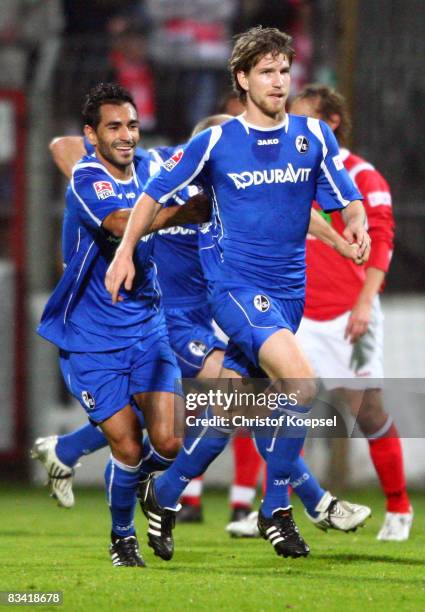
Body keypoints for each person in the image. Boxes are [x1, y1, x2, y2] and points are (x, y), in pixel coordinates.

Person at [105, 27, 371, 563]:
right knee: (300, 382)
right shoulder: (215, 142)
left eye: (283, 69)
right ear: (243, 79)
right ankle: (277, 507)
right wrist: (124, 251)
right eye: (266, 71)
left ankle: (165, 491)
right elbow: (151, 196)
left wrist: (353, 229)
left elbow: (343, 199)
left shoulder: (314, 137)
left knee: (230, 412)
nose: (278, 80)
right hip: (235, 287)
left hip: (288, 294)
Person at [36, 82, 209, 567]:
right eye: (114, 127)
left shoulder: (153, 165)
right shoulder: (88, 178)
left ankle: (144, 487)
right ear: (92, 135)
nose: (126, 135)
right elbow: (117, 222)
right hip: (90, 338)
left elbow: (202, 149)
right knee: (128, 445)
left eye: (132, 125)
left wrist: (230, 139)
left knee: (171, 440)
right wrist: (182, 212)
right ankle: (121, 537)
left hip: (147, 327)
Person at [289, 84, 413, 541]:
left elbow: (382, 238)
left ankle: (399, 507)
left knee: (367, 412)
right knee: (284, 413)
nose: (294, 125)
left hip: (349, 315)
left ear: (331, 122)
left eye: (303, 117)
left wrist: (365, 302)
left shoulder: (362, 175)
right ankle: (276, 512)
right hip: (298, 316)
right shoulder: (292, 174)